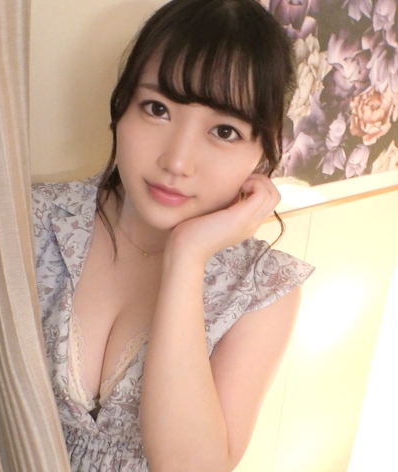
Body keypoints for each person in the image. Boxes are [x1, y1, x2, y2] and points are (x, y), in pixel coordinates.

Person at [32, 0, 314, 469]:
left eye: (224, 131)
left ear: (262, 154)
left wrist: (187, 257)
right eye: (157, 108)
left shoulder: (261, 290)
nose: (177, 161)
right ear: (121, 107)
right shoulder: (33, 221)